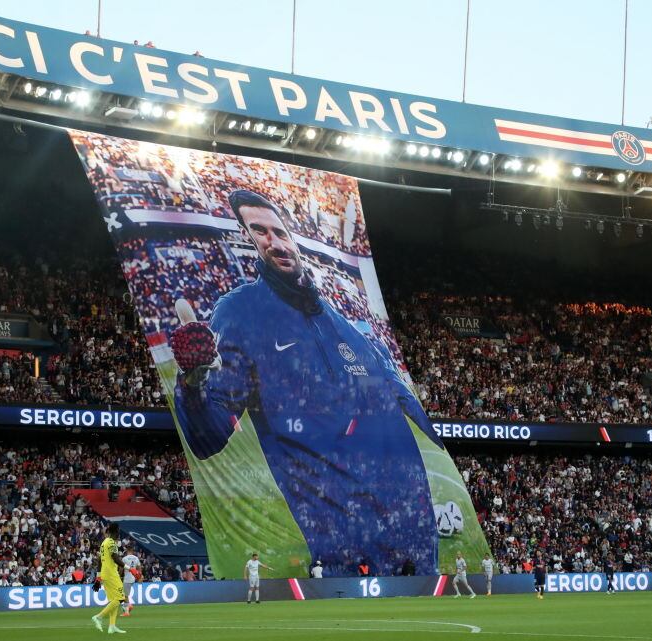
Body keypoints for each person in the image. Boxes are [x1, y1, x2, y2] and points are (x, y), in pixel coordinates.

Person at [169, 189, 486, 578]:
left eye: (279, 231)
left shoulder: (343, 322)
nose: (275, 242)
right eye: (260, 232)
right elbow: (208, 437)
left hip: (417, 536)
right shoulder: (241, 314)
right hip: (344, 545)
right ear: (245, 239)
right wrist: (193, 382)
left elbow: (398, 393)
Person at [90, 523, 127, 634]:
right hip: (111, 573)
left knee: (114, 600)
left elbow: (100, 561)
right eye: (118, 531)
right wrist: (129, 568)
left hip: (106, 574)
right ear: (115, 531)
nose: (119, 533)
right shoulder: (111, 542)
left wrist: (98, 578)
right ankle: (99, 617)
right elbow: (115, 558)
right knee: (120, 598)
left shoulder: (104, 543)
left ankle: (112, 626)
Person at [120, 551, 142, 616]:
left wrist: (119, 575)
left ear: (127, 551)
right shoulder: (136, 558)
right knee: (125, 594)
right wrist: (140, 576)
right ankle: (128, 606)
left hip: (127, 578)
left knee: (125, 595)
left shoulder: (124, 558)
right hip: (133, 578)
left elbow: (121, 569)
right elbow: (139, 568)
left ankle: (126, 612)